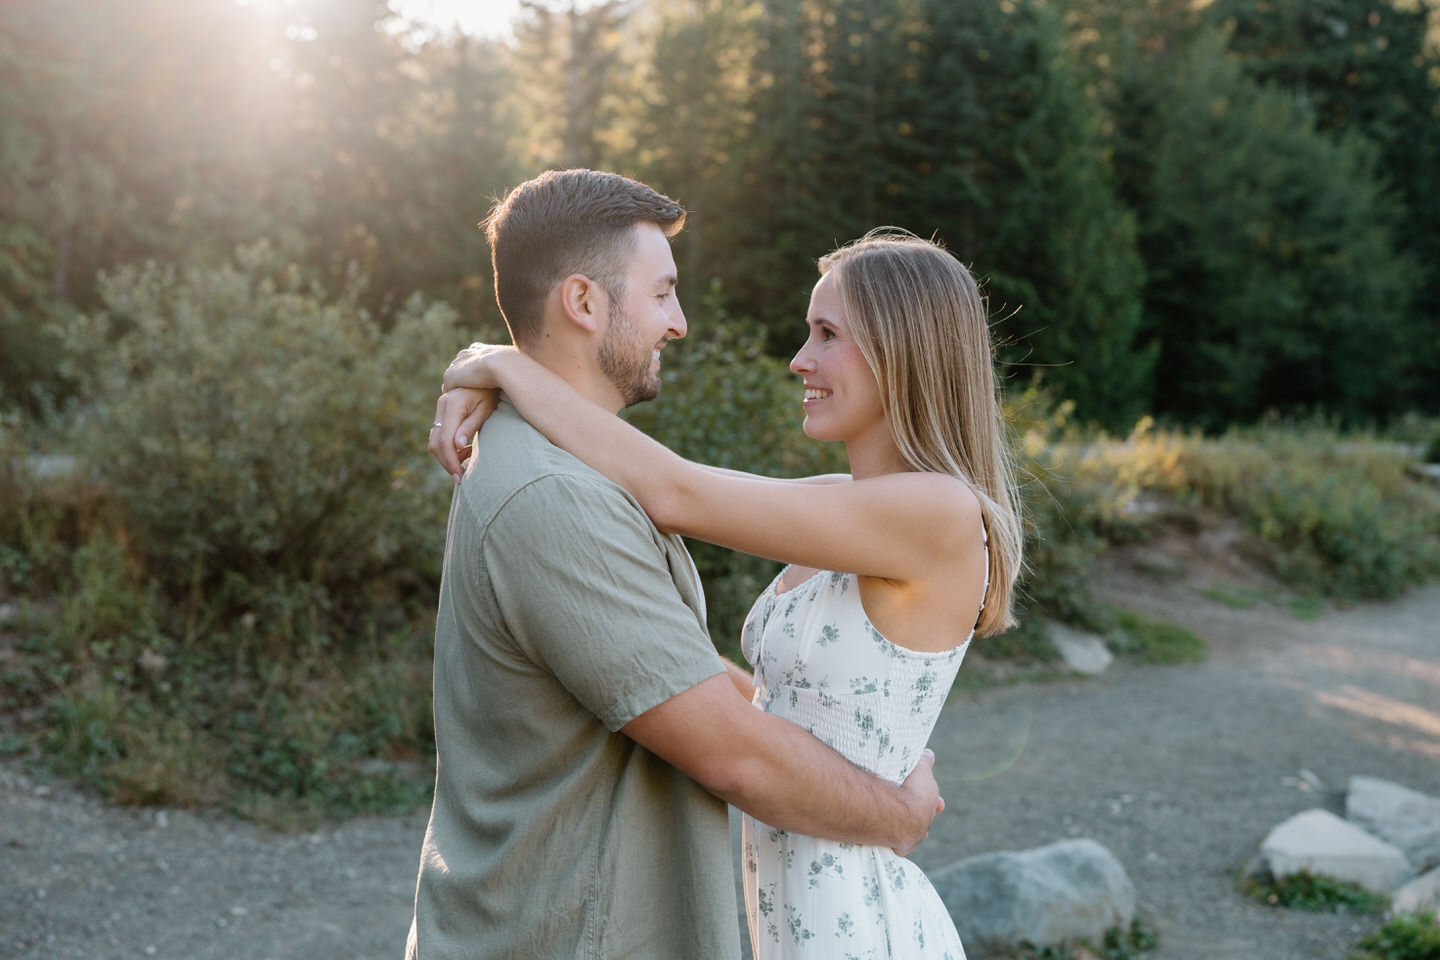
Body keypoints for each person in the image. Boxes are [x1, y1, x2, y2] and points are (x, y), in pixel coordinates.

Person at [431, 226, 1024, 959]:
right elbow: (763, 693)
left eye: (827, 334)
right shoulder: (845, 504)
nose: (799, 359)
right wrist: (486, 371)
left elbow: (672, 490)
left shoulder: (939, 514)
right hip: (784, 912)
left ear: (904, 351)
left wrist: (497, 365)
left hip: (851, 919)